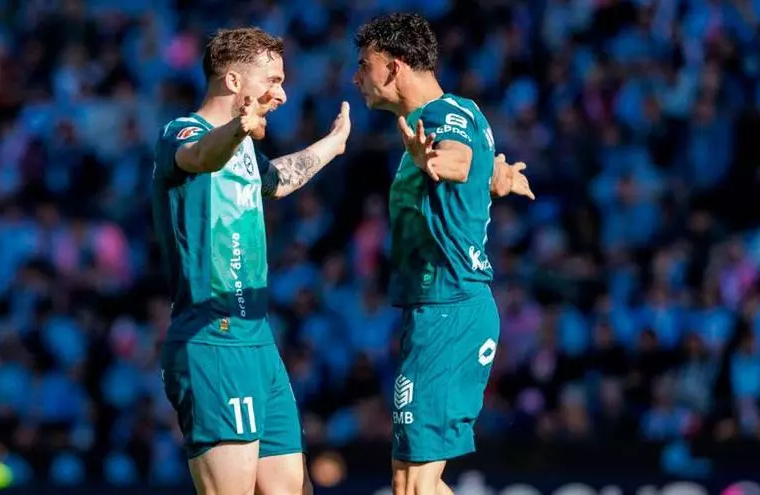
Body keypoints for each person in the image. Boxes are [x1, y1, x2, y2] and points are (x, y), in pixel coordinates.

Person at [151, 27, 350, 495]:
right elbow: (200, 156)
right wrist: (238, 128)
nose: (281, 94)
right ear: (235, 82)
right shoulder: (181, 133)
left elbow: (276, 178)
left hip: (258, 340)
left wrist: (333, 145)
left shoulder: (242, 148)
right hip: (212, 338)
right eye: (273, 80)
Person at [352, 13, 534, 495]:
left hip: (448, 309)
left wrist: (432, 160)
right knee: (415, 482)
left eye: (363, 65)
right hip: (444, 308)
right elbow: (477, 171)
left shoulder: (435, 120)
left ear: (393, 67)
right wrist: (496, 182)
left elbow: (457, 158)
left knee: (412, 484)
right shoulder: (465, 110)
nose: (356, 77)